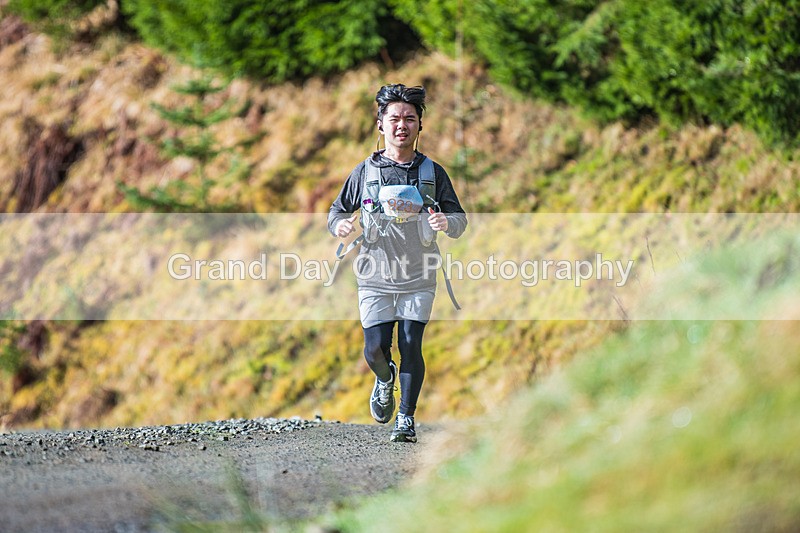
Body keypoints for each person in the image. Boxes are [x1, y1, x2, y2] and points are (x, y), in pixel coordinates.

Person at [328, 84, 467, 442]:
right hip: (374, 273)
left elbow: (459, 220)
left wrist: (445, 222)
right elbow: (337, 210)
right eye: (394, 119)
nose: (401, 125)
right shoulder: (365, 172)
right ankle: (384, 377)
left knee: (410, 344)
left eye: (409, 118)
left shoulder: (432, 173)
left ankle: (406, 419)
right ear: (380, 125)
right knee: (374, 348)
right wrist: (341, 224)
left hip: (420, 274)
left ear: (420, 125)